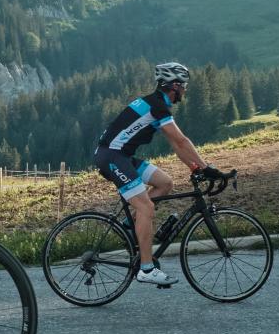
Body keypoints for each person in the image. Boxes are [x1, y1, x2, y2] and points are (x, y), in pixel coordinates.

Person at [91, 61, 216, 288]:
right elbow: (181, 140)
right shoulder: (158, 106)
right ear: (175, 86)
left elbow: (177, 146)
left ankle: (130, 229)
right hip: (112, 157)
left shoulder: (155, 103)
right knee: (146, 207)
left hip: (121, 155)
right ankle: (146, 269)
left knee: (164, 183)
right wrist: (206, 168)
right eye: (184, 86)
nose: (185, 91)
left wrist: (195, 167)